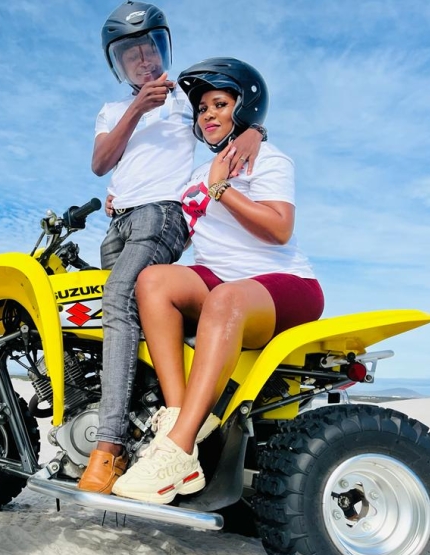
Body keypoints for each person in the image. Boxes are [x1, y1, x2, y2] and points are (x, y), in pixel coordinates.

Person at [111, 58, 325, 504]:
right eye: (202, 108)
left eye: (220, 104)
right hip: (220, 280)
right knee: (153, 281)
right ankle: (177, 424)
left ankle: (177, 447)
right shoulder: (195, 177)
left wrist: (222, 189)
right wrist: (122, 200)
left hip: (281, 284)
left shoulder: (267, 156)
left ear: (244, 109)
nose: (207, 114)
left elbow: (279, 228)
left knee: (225, 298)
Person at [77, 3, 266, 495]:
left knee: (119, 300)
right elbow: (101, 163)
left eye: (150, 48)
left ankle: (109, 447)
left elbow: (231, 110)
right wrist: (139, 107)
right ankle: (153, 435)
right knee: (122, 321)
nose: (143, 60)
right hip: (117, 224)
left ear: (164, 48)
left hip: (162, 216)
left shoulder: (186, 97)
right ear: (117, 63)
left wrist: (255, 131)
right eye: (130, 53)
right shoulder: (114, 109)